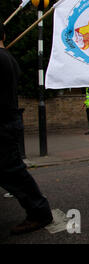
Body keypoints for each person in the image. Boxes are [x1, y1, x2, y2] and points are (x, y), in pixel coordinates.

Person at [0, 21, 53, 235]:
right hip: (8, 121)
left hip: (3, 123)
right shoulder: (8, 59)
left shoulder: (2, 59)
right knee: (11, 171)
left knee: (12, 172)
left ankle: (40, 212)